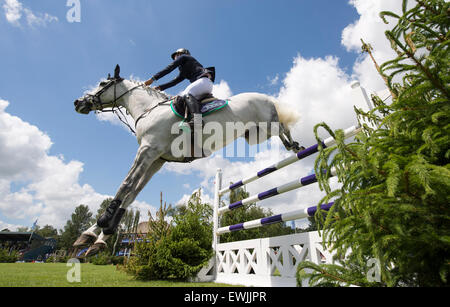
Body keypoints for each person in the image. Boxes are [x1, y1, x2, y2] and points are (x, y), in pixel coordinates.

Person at [144, 48, 215, 127]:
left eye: (177, 55)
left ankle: (197, 121)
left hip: (203, 81)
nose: (175, 58)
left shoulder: (184, 57)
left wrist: (153, 79)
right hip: (204, 85)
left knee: (186, 94)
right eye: (175, 56)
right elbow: (174, 82)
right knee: (184, 102)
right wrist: (159, 88)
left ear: (182, 54)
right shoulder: (184, 69)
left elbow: (169, 68)